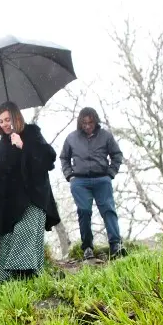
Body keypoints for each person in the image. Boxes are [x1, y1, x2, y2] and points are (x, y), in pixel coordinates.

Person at [0, 102, 60, 281]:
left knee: (27, 231)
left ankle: (25, 277)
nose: (4, 124)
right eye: (0, 121)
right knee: (8, 237)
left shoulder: (32, 133)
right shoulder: (3, 143)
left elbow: (48, 157)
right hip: (11, 202)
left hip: (33, 197)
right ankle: (8, 283)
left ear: (16, 117)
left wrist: (24, 146)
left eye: (7, 119)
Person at [59, 107, 125, 260]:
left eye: (90, 123)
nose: (87, 126)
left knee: (108, 210)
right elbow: (64, 158)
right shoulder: (71, 138)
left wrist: (110, 173)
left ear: (95, 121)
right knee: (84, 212)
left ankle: (115, 245)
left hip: (102, 179)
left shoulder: (106, 136)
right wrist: (70, 176)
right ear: (80, 123)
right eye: (84, 123)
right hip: (80, 182)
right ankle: (87, 247)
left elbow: (117, 155)